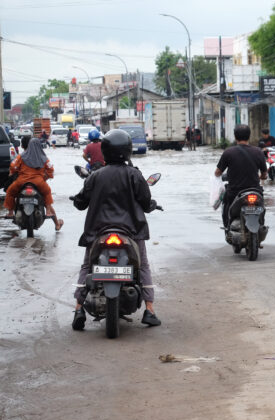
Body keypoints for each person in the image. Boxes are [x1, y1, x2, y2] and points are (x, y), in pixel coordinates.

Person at [70, 129, 160, 330]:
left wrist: (77, 199)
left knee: (87, 266)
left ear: (105, 150)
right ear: (128, 150)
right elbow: (146, 202)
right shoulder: (134, 175)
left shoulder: (95, 176)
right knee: (143, 265)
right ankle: (150, 310)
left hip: (98, 230)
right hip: (131, 231)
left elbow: (81, 202)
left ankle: (78, 308)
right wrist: (152, 205)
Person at [3, 137, 64, 231]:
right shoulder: (44, 158)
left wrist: (12, 172)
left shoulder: (21, 156)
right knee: (47, 192)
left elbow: (13, 165)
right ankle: (48, 212)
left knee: (10, 192)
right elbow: (51, 170)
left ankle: (11, 213)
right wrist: (45, 178)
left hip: (21, 182)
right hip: (38, 182)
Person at [214, 124, 267, 229]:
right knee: (262, 206)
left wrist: (221, 175)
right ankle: (261, 224)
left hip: (235, 193)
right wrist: (261, 177)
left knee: (226, 203)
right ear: (249, 136)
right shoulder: (258, 152)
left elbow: (217, 172)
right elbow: (264, 174)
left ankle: (227, 227)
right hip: (255, 191)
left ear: (235, 136)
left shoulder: (228, 152)